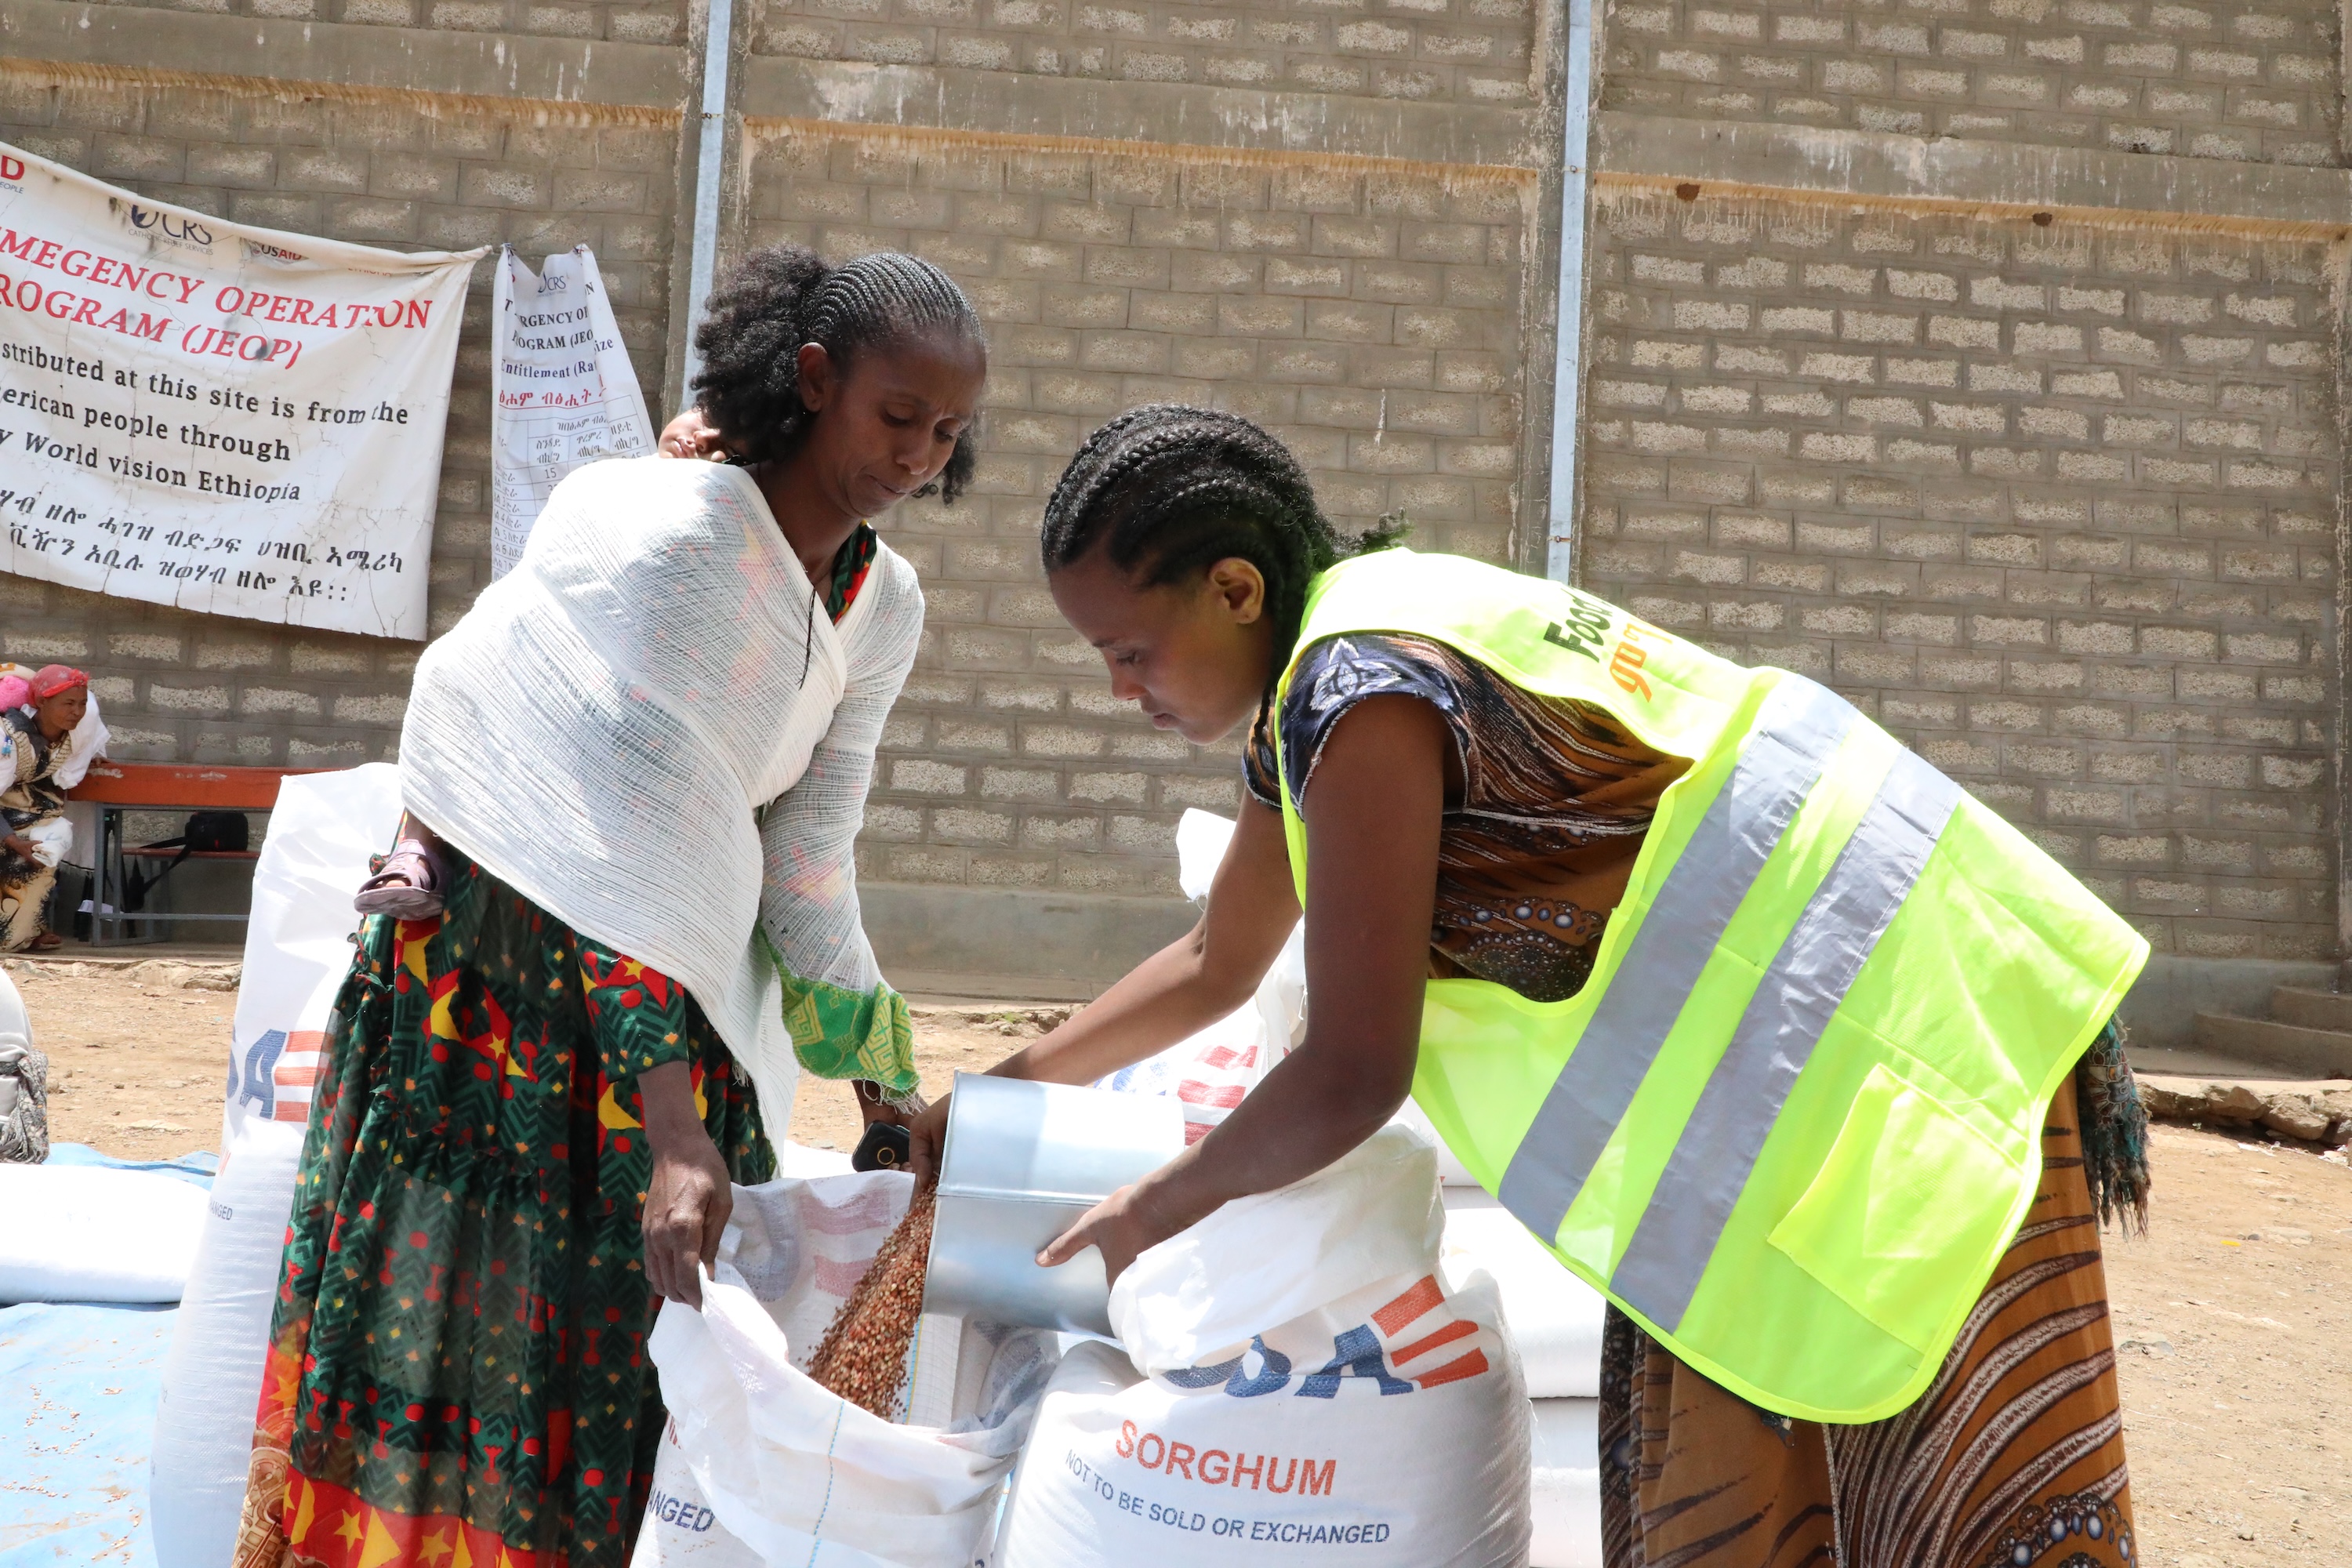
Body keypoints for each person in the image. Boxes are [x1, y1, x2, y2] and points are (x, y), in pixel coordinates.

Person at [907, 405, 2154, 1568]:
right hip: (1777, 1086)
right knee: (1722, 1479)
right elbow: (1216, 960)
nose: (1119, 691)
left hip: (1894, 1030)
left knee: (1948, 1479)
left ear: (1236, 589)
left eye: (1129, 651)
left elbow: (1351, 1072)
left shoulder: (1361, 692)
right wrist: (993, 1097)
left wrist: (1148, 1213)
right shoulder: (1328, 671)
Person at [234, 246, 987, 1568]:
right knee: (444, 1344)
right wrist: (678, 1130)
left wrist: (883, 1091)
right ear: (814, 380)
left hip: (659, 1037)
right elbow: (604, 844)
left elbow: (807, 854)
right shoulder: (674, 534)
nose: (923, 454)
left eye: (949, 432)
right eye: (898, 416)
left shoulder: (882, 608)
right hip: (500, 997)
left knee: (623, 1395)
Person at [0, 666, 93, 952]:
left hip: (14, 819)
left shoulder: (70, 737)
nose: (77, 711)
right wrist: (15, 842)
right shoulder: (8, 740)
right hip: (6, 826)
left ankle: (29, 926)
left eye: (82, 704)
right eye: (68, 703)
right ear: (40, 702)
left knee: (47, 846)